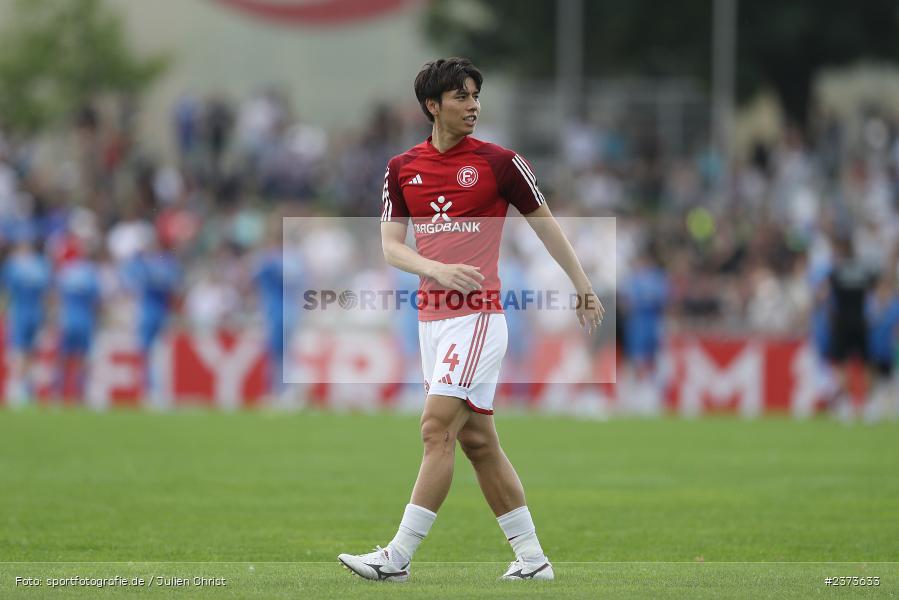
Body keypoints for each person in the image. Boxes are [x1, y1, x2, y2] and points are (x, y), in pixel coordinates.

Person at [338, 57, 604, 583]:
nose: (473, 105)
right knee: (478, 442)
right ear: (432, 106)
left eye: (476, 95)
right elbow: (392, 248)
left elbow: (546, 227)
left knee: (435, 428)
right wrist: (435, 267)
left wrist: (583, 286)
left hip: (478, 318)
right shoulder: (400, 168)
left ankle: (396, 558)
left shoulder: (500, 162)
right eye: (461, 96)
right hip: (431, 323)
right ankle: (533, 561)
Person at [2, 234, 51, 405]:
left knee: (20, 350)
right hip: (35, 313)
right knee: (30, 352)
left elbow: (7, 292)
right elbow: (47, 293)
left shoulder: (14, 265)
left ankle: (20, 389)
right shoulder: (41, 265)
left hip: (21, 313)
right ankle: (27, 389)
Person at [55, 250, 102, 401]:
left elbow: (56, 297)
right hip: (85, 321)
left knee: (64, 357)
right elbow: (97, 300)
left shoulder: (65, 273)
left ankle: (59, 391)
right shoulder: (90, 273)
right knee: (84, 358)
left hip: (68, 320)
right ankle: (81, 392)